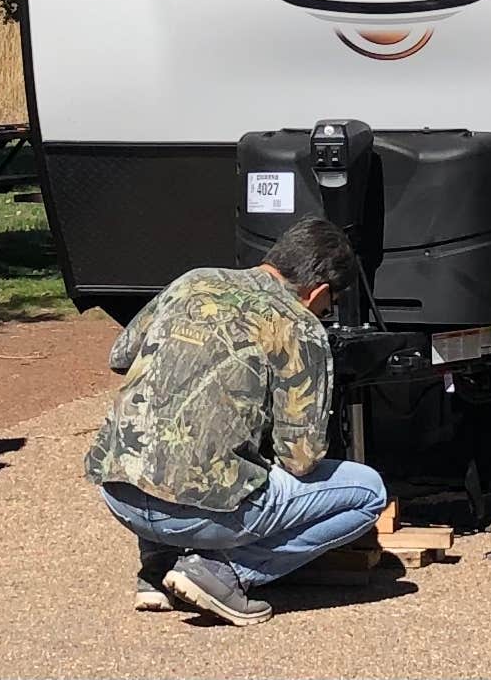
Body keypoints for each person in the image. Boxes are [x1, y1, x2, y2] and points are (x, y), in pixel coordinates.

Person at [83, 217, 391, 625]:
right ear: (318, 291)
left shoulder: (193, 281)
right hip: (202, 512)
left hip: (119, 494)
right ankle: (225, 572)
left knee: (165, 433)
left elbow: (121, 356)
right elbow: (300, 459)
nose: (324, 312)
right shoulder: (299, 325)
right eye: (327, 304)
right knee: (368, 492)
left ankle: (158, 568)